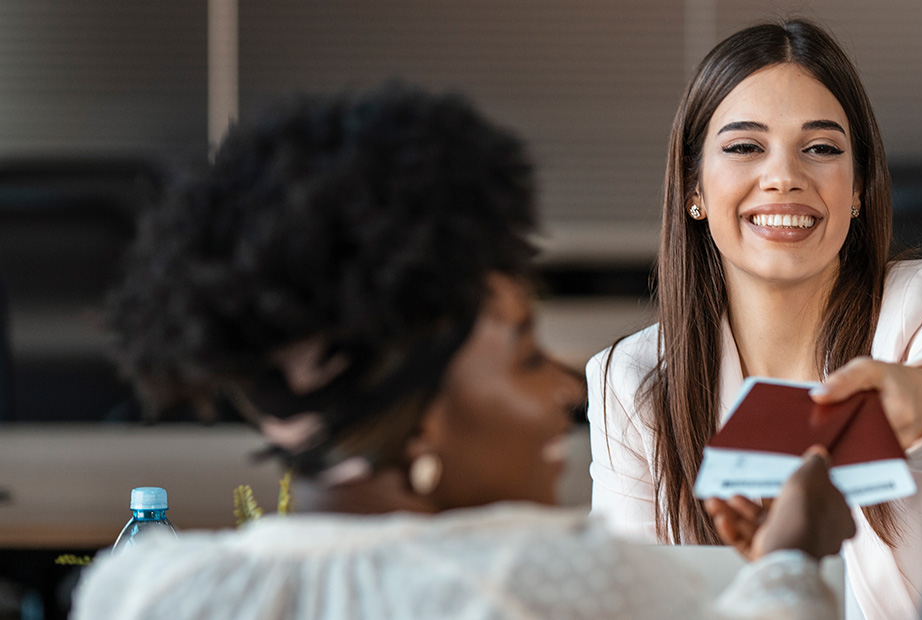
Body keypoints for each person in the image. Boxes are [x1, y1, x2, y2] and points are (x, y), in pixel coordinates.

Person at [74, 83, 857, 620]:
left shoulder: (140, 589)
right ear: (420, 428)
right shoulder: (547, 585)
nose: (562, 392)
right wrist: (789, 557)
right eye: (523, 357)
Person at [586, 19, 922, 620]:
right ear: (694, 186)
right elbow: (630, 605)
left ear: (857, 188)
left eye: (820, 148)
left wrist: (916, 396)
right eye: (745, 146)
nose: (785, 176)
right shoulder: (631, 378)